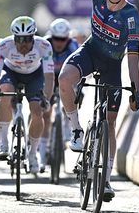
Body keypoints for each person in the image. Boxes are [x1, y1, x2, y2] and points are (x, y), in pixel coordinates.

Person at [16, 0, 139, 199]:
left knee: (109, 124)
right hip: (91, 50)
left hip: (112, 64)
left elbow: (133, 56)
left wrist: (136, 89)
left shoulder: (132, 16)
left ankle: (106, 181)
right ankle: (76, 129)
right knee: (64, 80)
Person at [0, 16, 54, 174]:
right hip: (11, 72)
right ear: (14, 38)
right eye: (19, 40)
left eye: (27, 40)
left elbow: (50, 76)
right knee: (4, 92)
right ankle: (3, 141)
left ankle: (32, 155)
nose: (23, 44)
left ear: (33, 38)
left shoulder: (44, 46)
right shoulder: (4, 45)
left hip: (34, 75)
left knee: (37, 112)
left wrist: (47, 98)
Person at [39, 18, 79, 172]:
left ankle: (67, 125)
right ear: (51, 36)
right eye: (56, 38)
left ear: (68, 37)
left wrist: (78, 91)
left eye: (63, 39)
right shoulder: (44, 43)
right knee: (45, 113)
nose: (59, 42)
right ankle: (41, 154)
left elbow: (78, 69)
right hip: (47, 77)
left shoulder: (73, 45)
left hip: (64, 77)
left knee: (70, 98)